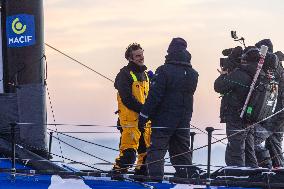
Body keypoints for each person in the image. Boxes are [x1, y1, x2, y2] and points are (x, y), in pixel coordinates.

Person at [138, 37, 199, 180]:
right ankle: (185, 179)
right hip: (184, 119)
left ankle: (155, 180)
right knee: (182, 151)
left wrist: (143, 115)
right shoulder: (193, 74)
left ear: (170, 51)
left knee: (157, 150)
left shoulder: (164, 71)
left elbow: (155, 96)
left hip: (163, 119)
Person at [214, 46, 260, 168]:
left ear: (245, 59)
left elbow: (218, 87)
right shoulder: (259, 73)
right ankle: (253, 176)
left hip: (236, 116)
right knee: (249, 151)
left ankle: (237, 176)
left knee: (235, 150)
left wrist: (224, 73)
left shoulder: (240, 74)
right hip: (250, 117)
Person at [112, 43, 151, 175]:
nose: (141, 58)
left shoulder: (145, 75)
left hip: (144, 121)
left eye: (142, 55)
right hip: (130, 121)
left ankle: (140, 176)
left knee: (145, 156)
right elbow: (127, 99)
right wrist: (144, 110)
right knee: (128, 155)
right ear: (130, 58)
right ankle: (117, 174)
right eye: (138, 56)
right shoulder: (124, 75)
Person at [253, 39, 284, 168]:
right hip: (276, 117)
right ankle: (277, 174)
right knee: (275, 147)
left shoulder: (273, 71)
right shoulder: (278, 69)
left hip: (271, 118)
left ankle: (265, 168)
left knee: (252, 141)